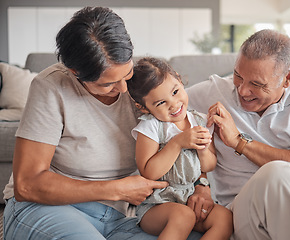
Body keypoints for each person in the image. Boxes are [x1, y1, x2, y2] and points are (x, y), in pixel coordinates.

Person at [2, 7, 202, 240]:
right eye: (108, 84)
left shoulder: (143, 86)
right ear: (75, 72)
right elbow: (27, 185)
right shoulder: (51, 86)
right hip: (46, 207)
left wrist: (202, 185)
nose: (124, 89)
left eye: (126, 74)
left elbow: (189, 120)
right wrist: (117, 190)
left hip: (117, 218)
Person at [186, 29, 290, 239]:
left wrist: (239, 142)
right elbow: (162, 101)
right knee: (277, 174)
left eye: (257, 84)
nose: (243, 90)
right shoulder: (212, 91)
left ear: (288, 78)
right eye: (238, 76)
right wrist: (202, 182)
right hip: (248, 211)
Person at [127, 57, 233, 240]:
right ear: (143, 107)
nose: (174, 104)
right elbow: (149, 172)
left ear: (179, 79)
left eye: (175, 92)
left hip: (189, 197)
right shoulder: (151, 126)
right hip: (157, 204)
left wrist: (202, 149)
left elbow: (209, 166)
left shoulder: (199, 120)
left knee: (224, 218)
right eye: (161, 103)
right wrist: (177, 143)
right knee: (183, 216)